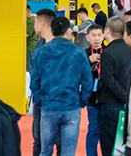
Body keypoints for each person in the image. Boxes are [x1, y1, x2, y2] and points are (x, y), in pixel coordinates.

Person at [30, 17, 92, 156]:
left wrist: (40, 100)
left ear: (52, 30)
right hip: (71, 105)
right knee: (68, 152)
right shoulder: (78, 52)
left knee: (45, 151)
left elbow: (34, 80)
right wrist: (82, 100)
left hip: (49, 106)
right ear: (68, 31)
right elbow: (87, 80)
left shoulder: (41, 52)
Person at [98, 18, 131, 156]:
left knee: (109, 145)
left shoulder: (108, 52)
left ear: (107, 30)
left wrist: (123, 96)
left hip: (110, 103)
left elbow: (109, 80)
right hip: (130, 102)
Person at [31, 9, 59, 156]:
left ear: (41, 23)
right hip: (40, 100)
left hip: (57, 100)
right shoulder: (39, 44)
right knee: (38, 140)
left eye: (35, 22)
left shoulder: (60, 45)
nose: (34, 25)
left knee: (59, 141)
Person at [84, 24, 104, 156]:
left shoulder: (108, 51)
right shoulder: (83, 54)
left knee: (108, 131)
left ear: (103, 36)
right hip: (91, 97)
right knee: (93, 129)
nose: (96, 39)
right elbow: (76, 71)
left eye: (99, 35)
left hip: (108, 96)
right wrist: (87, 61)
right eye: (93, 35)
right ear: (87, 37)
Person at [27, 6, 38, 71]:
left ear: (28, 11)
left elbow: (27, 34)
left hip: (30, 47)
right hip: (32, 46)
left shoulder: (31, 20)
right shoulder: (33, 18)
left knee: (29, 68)